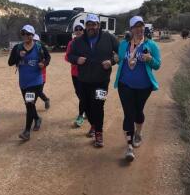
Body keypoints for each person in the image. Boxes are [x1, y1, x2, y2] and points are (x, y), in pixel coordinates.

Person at [68, 14, 119, 147]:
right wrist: (76, 59)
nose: (91, 27)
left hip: (102, 80)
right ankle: (94, 125)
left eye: (94, 24)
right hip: (83, 80)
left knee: (98, 106)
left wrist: (112, 61)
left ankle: (99, 133)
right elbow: (69, 56)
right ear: (86, 26)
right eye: (89, 24)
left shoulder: (109, 38)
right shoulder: (78, 41)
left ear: (98, 25)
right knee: (86, 106)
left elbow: (121, 52)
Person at [114, 16, 161, 162]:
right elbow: (120, 59)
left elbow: (157, 65)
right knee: (129, 114)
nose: (139, 29)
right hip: (124, 84)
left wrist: (150, 59)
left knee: (138, 112)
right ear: (131, 29)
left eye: (141, 26)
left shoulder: (151, 45)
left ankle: (138, 133)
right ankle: (129, 147)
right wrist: (116, 60)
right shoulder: (124, 45)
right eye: (136, 26)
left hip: (144, 86)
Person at [8, 25, 51, 141]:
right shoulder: (17, 48)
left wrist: (44, 64)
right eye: (23, 33)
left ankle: (27, 131)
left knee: (29, 104)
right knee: (29, 104)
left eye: (28, 34)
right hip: (23, 82)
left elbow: (48, 58)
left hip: (36, 82)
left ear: (32, 35)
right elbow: (10, 62)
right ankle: (37, 118)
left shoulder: (39, 46)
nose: (26, 36)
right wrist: (18, 55)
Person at [65, 21, 86, 127]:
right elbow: (67, 57)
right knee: (78, 93)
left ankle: (81, 115)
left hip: (87, 74)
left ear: (83, 30)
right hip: (75, 73)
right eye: (76, 29)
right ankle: (85, 109)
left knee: (83, 95)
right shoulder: (71, 43)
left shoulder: (88, 42)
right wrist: (76, 60)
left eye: (80, 29)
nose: (78, 31)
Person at [33, 34, 50, 109]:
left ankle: (46, 100)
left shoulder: (42, 49)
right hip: (31, 75)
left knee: (38, 91)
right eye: (33, 41)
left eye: (35, 41)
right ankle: (31, 107)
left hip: (41, 74)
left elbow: (48, 57)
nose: (34, 42)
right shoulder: (27, 49)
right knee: (32, 92)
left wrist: (44, 64)